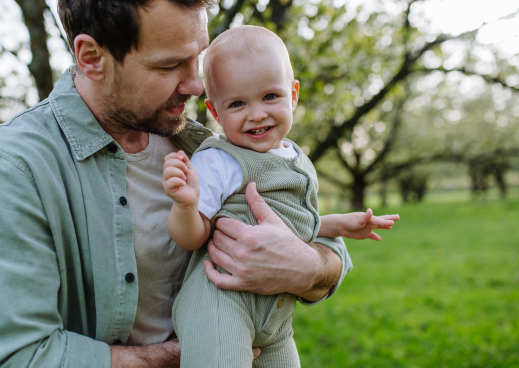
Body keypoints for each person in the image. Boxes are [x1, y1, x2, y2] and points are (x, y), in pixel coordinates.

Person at [0, 0, 355, 367]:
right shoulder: (10, 171)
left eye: (198, 58)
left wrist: (309, 266)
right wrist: (192, 353)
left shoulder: (205, 146)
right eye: (169, 65)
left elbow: (311, 233)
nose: (195, 84)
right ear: (92, 57)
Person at [163, 26, 399, 367]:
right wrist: (186, 206)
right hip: (219, 304)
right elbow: (191, 237)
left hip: (275, 318)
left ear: (293, 94)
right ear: (216, 113)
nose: (256, 113)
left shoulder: (295, 158)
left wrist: (339, 225)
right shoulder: (218, 160)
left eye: (270, 97)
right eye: (238, 103)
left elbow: (292, 226)